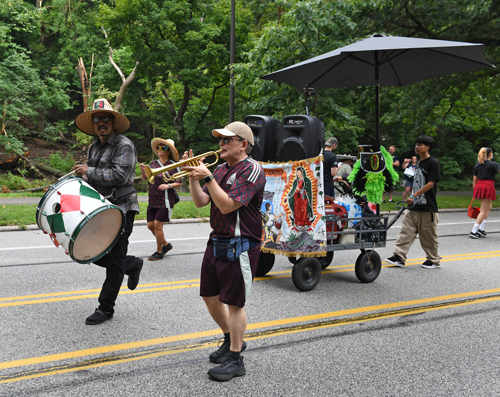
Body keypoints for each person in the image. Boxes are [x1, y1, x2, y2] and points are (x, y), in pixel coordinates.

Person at [182, 121, 266, 381]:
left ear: (243, 144)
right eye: (220, 140)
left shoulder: (252, 170)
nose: (221, 145)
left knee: (235, 303)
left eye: (226, 140)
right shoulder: (219, 169)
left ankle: (236, 359)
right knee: (209, 295)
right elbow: (201, 202)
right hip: (217, 240)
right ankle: (232, 340)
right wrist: (191, 177)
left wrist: (206, 176)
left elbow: (228, 206)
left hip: (241, 242)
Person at [73, 98, 143, 325]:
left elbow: (120, 176)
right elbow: (93, 178)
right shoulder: (94, 146)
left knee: (114, 261)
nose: (101, 123)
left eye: (105, 119)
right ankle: (131, 264)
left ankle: (105, 308)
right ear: (93, 125)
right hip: (101, 209)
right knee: (93, 252)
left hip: (122, 207)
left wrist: (89, 170)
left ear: (113, 122)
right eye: (97, 120)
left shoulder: (124, 144)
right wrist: (82, 176)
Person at [386, 135, 441, 269]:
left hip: (427, 206)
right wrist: (412, 197)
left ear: (427, 147)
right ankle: (399, 256)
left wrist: (415, 195)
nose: (417, 147)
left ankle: (433, 260)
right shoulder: (419, 163)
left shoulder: (433, 163)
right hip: (414, 206)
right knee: (405, 232)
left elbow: (431, 183)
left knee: (428, 236)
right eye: (416, 144)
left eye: (420, 145)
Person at [139, 138, 181, 260]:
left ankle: (159, 252)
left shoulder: (174, 165)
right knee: (150, 225)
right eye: (158, 147)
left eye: (164, 147)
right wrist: (143, 171)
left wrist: (169, 185)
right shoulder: (153, 164)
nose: (160, 149)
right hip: (152, 199)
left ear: (169, 151)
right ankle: (166, 245)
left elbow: (179, 182)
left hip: (166, 199)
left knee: (158, 225)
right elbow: (145, 178)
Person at [469, 147, 500, 238]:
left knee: (488, 207)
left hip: (479, 185)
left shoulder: (478, 165)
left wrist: (475, 192)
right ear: (490, 154)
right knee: (483, 210)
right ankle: (474, 231)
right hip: (488, 186)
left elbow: (474, 180)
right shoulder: (494, 164)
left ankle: (481, 229)